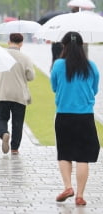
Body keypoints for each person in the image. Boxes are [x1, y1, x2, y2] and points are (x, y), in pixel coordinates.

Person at [51, 31, 100, 206]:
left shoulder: (58, 65)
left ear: (64, 46)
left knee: (64, 152)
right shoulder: (92, 66)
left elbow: (55, 87)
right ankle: (80, 195)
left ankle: (67, 186)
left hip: (64, 115)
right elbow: (94, 90)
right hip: (85, 117)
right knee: (83, 157)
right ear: (81, 47)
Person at [0, 33, 35, 155]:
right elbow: (31, 76)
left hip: (2, 93)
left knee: (0, 117)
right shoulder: (25, 58)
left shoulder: (0, 56)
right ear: (21, 43)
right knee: (18, 122)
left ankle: (3, 133)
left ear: (8, 41)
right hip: (19, 94)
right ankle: (15, 148)